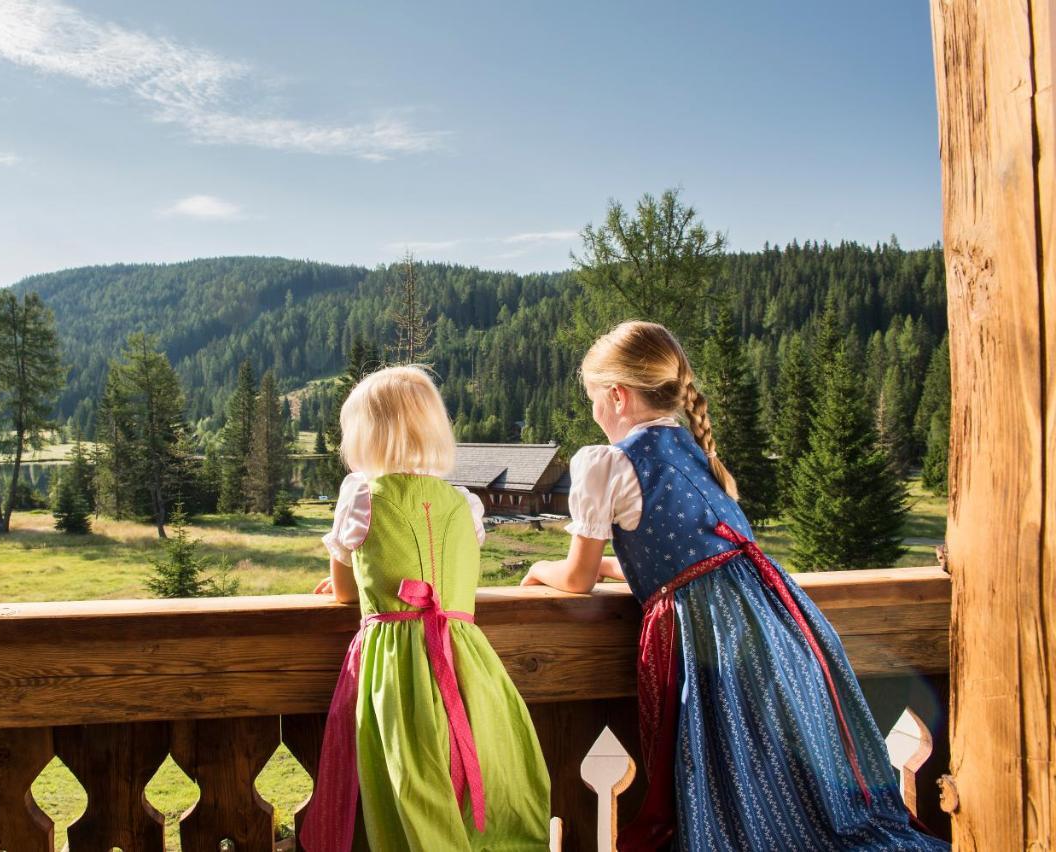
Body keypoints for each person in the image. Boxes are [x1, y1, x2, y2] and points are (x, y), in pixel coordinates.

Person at [523, 321, 947, 851]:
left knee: (728, 769)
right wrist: (623, 570)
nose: (594, 413)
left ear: (617, 395)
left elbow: (577, 576)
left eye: (593, 399)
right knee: (782, 777)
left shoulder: (606, 462)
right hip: (776, 617)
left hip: (712, 633)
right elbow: (692, 554)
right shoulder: (696, 450)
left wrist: (542, 572)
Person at [301, 364, 551, 851]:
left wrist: (352, 571)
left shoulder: (362, 496)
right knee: (470, 771)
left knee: (410, 777)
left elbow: (346, 594)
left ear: (365, 435)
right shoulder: (466, 504)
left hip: (398, 666)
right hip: (466, 661)